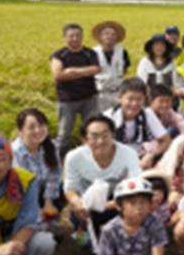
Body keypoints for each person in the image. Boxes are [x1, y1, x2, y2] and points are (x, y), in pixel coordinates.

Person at [63, 115, 141, 248]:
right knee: (86, 244)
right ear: (85, 139)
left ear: (113, 135)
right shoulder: (74, 157)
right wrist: (77, 203)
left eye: (105, 135)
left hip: (116, 202)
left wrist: (107, 205)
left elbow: (136, 185)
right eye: (94, 136)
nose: (100, 141)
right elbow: (70, 187)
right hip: (87, 204)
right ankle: (87, 233)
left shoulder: (128, 154)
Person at [50, 23, 100, 156]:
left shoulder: (90, 53)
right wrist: (84, 72)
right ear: (65, 38)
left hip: (89, 97)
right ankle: (58, 160)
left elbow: (95, 69)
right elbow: (58, 74)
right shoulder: (59, 55)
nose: (75, 38)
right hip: (67, 100)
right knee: (64, 132)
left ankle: (91, 155)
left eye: (78, 35)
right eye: (71, 36)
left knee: (92, 129)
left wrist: (71, 71)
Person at [103, 78, 172, 167]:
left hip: (140, 159)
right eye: (130, 99)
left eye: (139, 99)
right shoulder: (108, 118)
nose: (134, 104)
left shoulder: (146, 114)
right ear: (120, 98)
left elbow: (166, 140)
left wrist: (151, 154)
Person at [11, 108, 62, 227]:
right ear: (20, 131)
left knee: (62, 189)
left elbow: (54, 176)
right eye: (31, 127)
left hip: (42, 192)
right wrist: (36, 209)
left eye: (41, 125)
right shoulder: (15, 153)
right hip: (22, 197)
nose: (38, 130)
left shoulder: (51, 146)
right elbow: (20, 186)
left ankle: (50, 221)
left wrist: (48, 203)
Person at [91, 21, 129, 111]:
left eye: (113, 34)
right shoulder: (93, 52)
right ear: (100, 37)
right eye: (106, 34)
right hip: (99, 92)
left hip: (118, 91)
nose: (110, 36)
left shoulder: (122, 51)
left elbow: (125, 69)